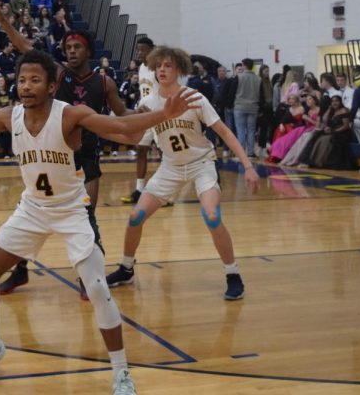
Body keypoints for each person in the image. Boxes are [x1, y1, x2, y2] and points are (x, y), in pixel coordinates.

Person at [0, 49, 200, 393]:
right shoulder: (11, 116)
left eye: (35, 80)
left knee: (98, 289)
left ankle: (121, 372)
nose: (26, 86)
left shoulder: (71, 115)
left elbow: (123, 128)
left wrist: (161, 115)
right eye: (22, 79)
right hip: (32, 209)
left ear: (52, 86)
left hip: (71, 210)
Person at [0, 0, 134, 297]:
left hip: (87, 158)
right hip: (53, 156)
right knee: (32, 215)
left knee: (87, 216)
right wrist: (3, 21)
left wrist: (155, 113)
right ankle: (19, 272)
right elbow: (25, 48)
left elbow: (123, 116)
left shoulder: (104, 82)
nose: (70, 51)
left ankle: (89, 278)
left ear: (89, 51)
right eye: (67, 47)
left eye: (76, 47)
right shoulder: (57, 73)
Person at [106, 46, 259, 302]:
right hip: (170, 167)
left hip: (201, 163)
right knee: (135, 216)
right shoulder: (148, 103)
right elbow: (132, 137)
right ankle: (126, 268)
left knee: (211, 216)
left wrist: (249, 166)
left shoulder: (193, 97)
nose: (162, 70)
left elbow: (224, 131)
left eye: (168, 66)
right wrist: (95, 130)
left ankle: (233, 274)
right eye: (159, 66)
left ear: (179, 70)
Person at [122, 37, 156, 205]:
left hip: (159, 115)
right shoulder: (142, 68)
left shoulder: (159, 67)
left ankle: (166, 192)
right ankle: (139, 190)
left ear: (151, 50)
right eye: (138, 50)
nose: (139, 53)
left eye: (143, 50)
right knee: (141, 150)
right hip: (145, 115)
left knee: (167, 154)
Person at [233, 58, 261, 157]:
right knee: (251, 131)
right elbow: (261, 95)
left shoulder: (238, 77)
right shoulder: (258, 78)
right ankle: (250, 152)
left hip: (240, 106)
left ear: (244, 65)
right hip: (253, 107)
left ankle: (241, 153)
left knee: (240, 130)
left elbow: (233, 92)